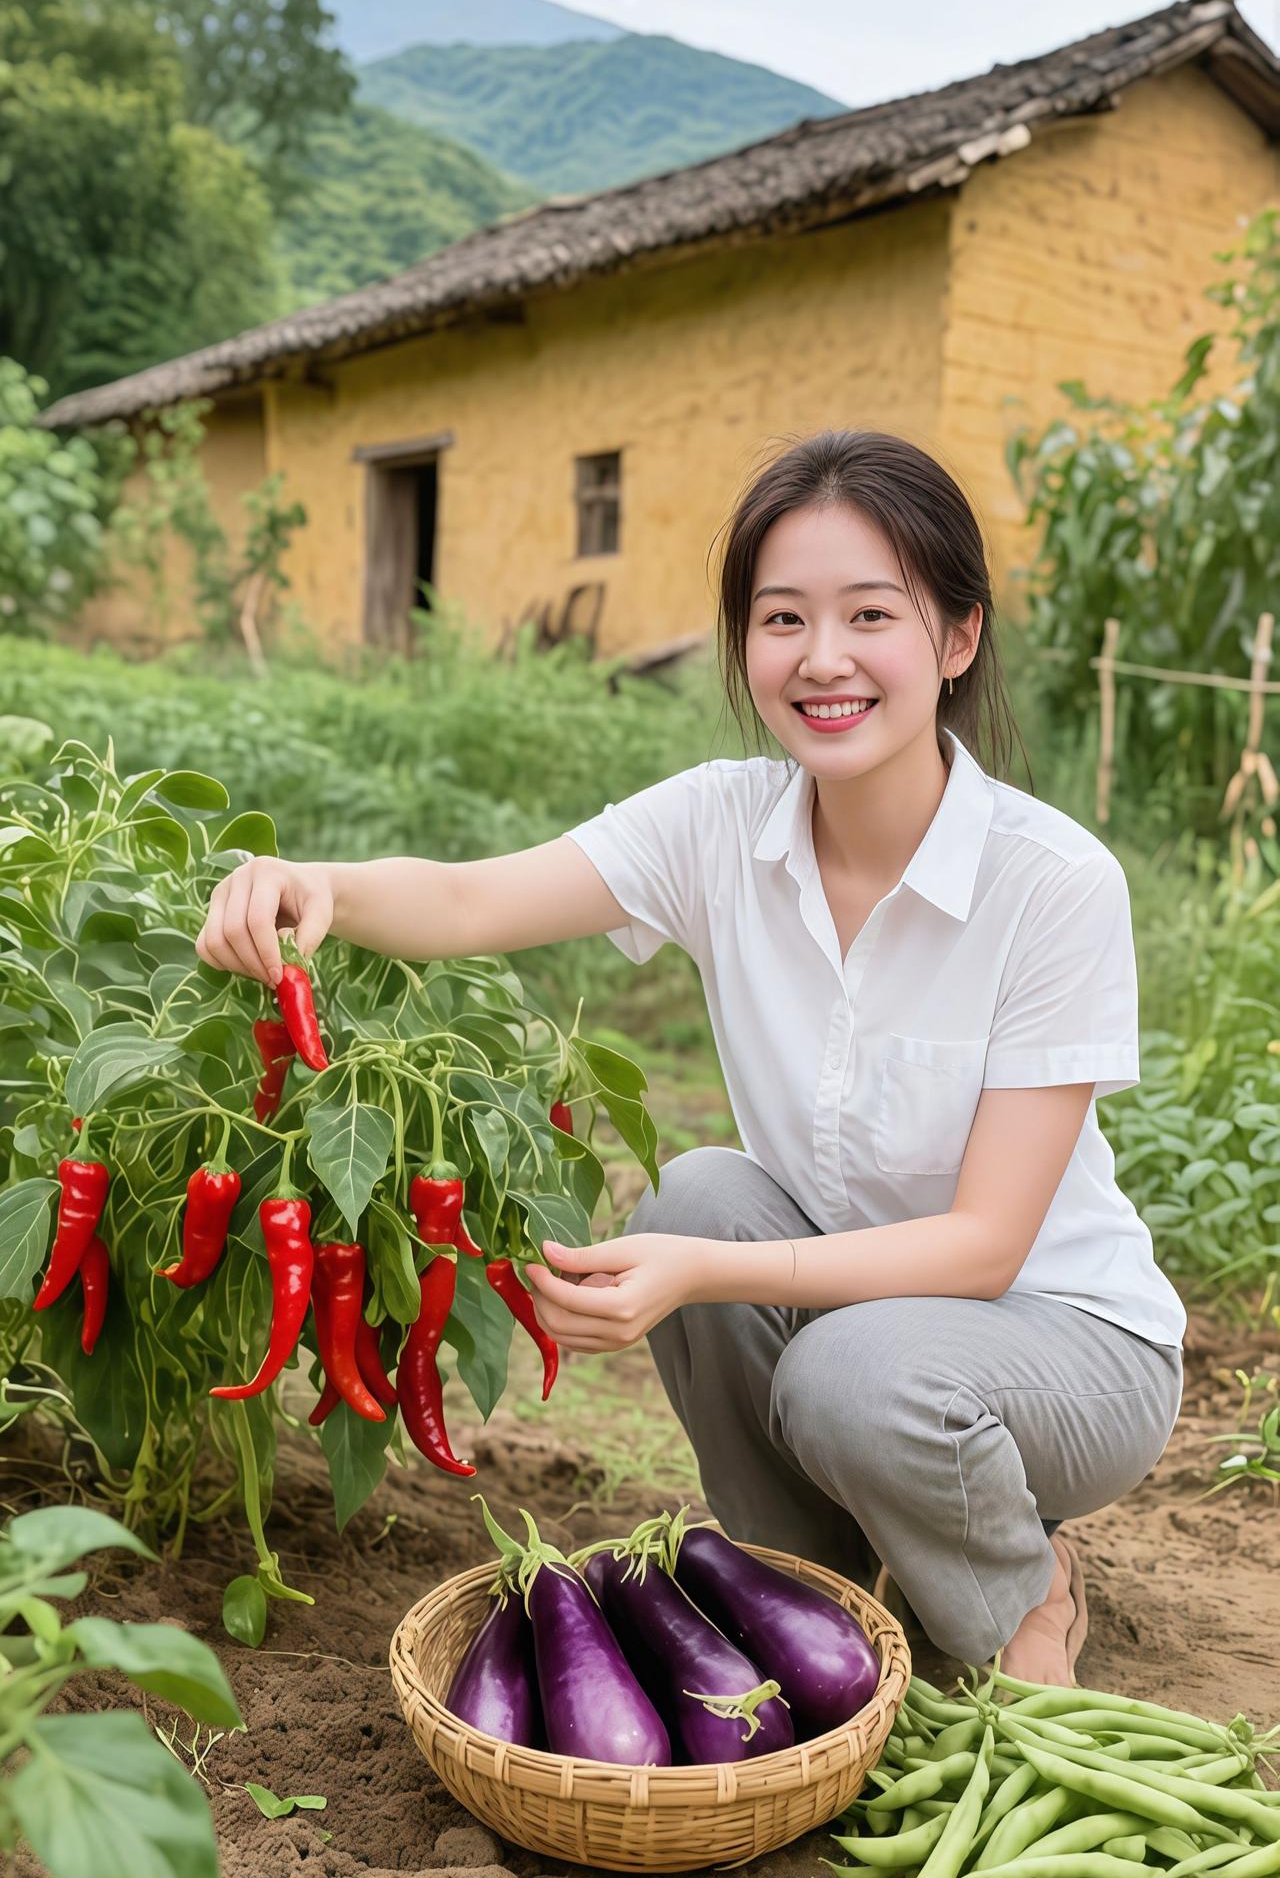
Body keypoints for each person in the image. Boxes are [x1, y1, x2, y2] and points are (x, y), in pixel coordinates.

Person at [195, 427, 1185, 1688]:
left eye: (867, 614)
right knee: (694, 1191)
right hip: (871, 1319)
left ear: (955, 638)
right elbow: (462, 902)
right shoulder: (719, 824)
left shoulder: (1048, 884)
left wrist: (702, 1274)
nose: (820, 659)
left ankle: (1018, 1597)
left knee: (833, 1363)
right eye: (781, 619)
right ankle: (810, 1595)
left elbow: (986, 1246)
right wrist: (298, 881)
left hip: (1064, 1346)